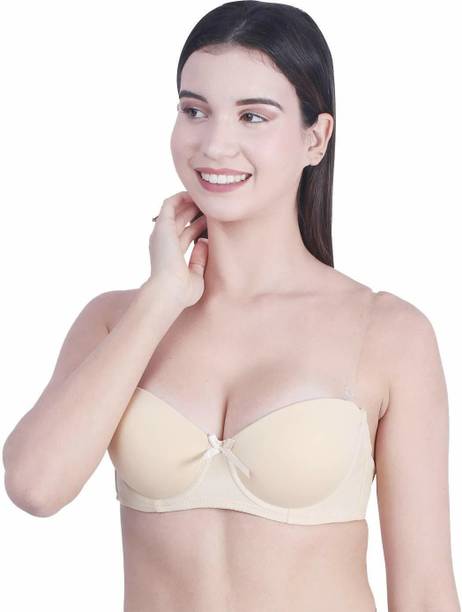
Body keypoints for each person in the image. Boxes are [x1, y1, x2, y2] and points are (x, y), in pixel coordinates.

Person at [3, 2, 460, 611]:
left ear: (316, 138)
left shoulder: (389, 334)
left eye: (252, 116)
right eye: (194, 110)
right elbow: (34, 487)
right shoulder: (117, 320)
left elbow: (426, 592)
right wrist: (161, 298)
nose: (215, 144)